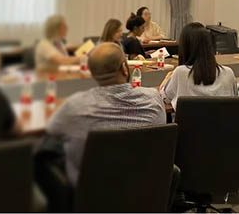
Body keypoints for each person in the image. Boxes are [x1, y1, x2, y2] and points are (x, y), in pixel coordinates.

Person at [46, 42, 165, 186]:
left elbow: (52, 130)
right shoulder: (153, 99)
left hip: (91, 192)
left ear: (92, 73)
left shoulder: (75, 105)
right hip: (147, 189)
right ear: (124, 68)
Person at [160, 22, 238, 110]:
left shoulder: (180, 73)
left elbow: (164, 98)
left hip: (189, 119)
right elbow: (236, 98)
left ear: (184, 48)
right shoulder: (228, 73)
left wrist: (166, 79)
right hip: (223, 119)